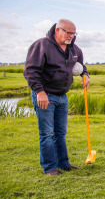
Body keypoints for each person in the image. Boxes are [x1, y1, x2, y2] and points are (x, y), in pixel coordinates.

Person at [24, 19, 90, 176]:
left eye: (74, 34)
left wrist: (85, 74)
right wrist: (39, 92)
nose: (71, 36)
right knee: (47, 133)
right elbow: (31, 71)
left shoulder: (75, 49)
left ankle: (64, 164)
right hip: (45, 95)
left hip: (62, 96)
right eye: (68, 32)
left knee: (60, 132)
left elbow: (80, 65)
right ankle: (50, 168)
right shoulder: (42, 45)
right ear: (57, 30)